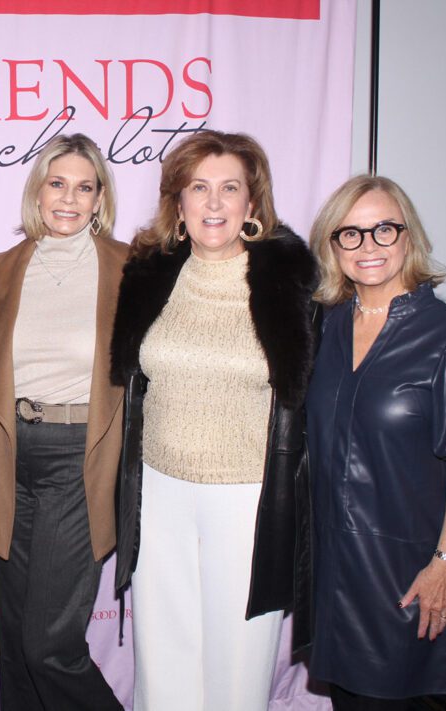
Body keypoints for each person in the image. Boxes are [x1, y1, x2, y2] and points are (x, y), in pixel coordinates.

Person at [109, 130, 317, 710]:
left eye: (230, 188)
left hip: (247, 496)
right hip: (158, 490)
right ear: (179, 203)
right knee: (163, 660)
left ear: (253, 203)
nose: (215, 203)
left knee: (237, 665)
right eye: (199, 188)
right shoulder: (150, 273)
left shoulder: (289, 284)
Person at [305, 175, 446, 709]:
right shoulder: (325, 329)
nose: (367, 246)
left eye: (384, 230)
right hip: (334, 568)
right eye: (350, 233)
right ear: (333, 245)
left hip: (407, 572)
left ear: (408, 236)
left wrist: (445, 564)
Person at [0, 133, 126, 710]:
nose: (68, 199)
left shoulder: (128, 268)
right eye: (57, 184)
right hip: (10, 453)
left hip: (81, 456)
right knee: (14, 642)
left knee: (48, 645)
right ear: (38, 191)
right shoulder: (2, 268)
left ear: (99, 198)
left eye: (84, 187)